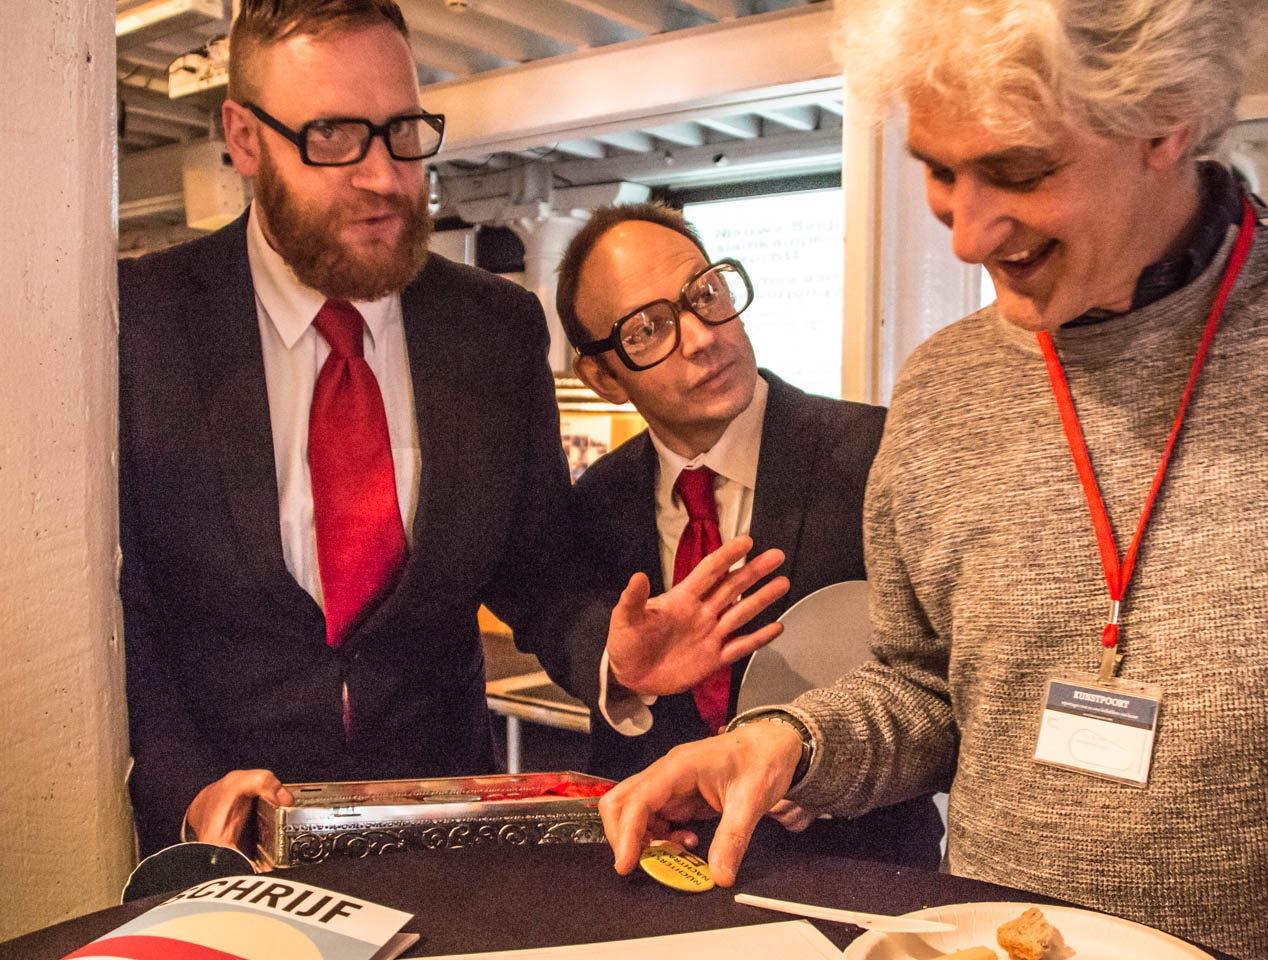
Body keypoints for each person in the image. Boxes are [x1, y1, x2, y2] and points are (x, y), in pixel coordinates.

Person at [596, 2, 1268, 959]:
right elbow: (925, 688)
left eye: (1020, 170)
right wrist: (791, 742)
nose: (966, 234)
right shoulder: (943, 386)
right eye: (939, 170)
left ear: (1167, 118)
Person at [118, 0, 783, 859]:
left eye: (403, 132)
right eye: (332, 137)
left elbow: (536, 568)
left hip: (445, 838)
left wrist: (611, 653)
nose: (385, 177)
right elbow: (125, 608)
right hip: (228, 842)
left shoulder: (493, 327)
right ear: (243, 138)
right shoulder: (145, 322)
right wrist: (186, 788)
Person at [551, 203, 944, 868]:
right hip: (659, 866)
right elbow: (575, 642)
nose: (701, 336)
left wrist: (820, 765)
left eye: (706, 294)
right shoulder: (595, 502)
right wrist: (623, 674)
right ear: (603, 377)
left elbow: (949, 685)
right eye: (648, 330)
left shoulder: (878, 454)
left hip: (857, 872)